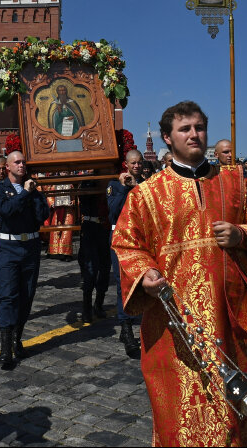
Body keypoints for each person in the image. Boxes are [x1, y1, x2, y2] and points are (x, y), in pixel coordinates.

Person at [113, 101, 247, 446]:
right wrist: (145, 273)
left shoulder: (234, 182)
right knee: (184, 413)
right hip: (175, 324)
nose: (194, 134)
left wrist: (242, 235)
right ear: (167, 138)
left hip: (231, 316)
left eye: (199, 127)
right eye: (184, 129)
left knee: (241, 406)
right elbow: (127, 244)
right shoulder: (146, 194)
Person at [0, 150, 50, 370]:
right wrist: (25, 194)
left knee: (27, 294)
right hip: (8, 247)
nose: (22, 165)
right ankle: (5, 348)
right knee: (8, 295)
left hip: (30, 247)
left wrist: (33, 194)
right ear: (8, 167)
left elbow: (43, 215)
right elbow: (7, 210)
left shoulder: (33, 189)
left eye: (24, 162)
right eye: (17, 162)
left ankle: (17, 338)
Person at [107, 149, 145, 358]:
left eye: (139, 163)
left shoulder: (146, 183)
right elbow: (114, 211)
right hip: (121, 240)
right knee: (124, 284)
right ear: (126, 164)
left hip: (142, 240)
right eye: (133, 163)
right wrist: (124, 188)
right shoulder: (115, 185)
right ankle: (126, 328)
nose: (136, 166)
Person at [77, 176, 111, 324]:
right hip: (91, 227)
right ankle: (86, 308)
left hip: (106, 230)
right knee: (90, 269)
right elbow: (84, 200)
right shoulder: (89, 181)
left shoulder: (113, 182)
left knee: (105, 268)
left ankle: (98, 304)